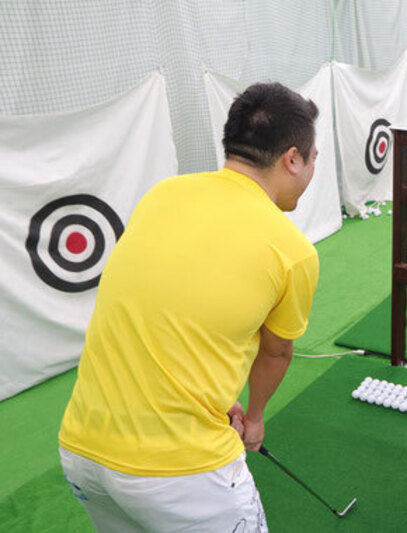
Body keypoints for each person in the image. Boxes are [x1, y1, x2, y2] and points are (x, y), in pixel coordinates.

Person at [58, 82, 320, 532]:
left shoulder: (162, 194)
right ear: (291, 158)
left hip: (81, 452)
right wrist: (253, 419)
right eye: (314, 157)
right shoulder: (293, 250)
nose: (314, 166)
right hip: (180, 475)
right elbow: (276, 352)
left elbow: (165, 307)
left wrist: (211, 395)